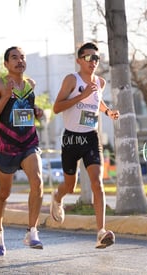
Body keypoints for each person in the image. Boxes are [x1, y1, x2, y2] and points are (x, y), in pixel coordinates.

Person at [51, 42, 120, 249]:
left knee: (97, 183)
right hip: (72, 138)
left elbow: (97, 101)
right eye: (89, 58)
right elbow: (56, 107)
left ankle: (101, 232)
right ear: (79, 60)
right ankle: (57, 197)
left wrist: (108, 112)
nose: (93, 62)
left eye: (96, 58)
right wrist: (80, 96)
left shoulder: (100, 82)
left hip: (91, 137)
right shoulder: (72, 79)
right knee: (70, 186)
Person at [0, 46, 45, 256]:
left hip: (29, 142)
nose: (19, 61)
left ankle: (32, 231)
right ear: (6, 64)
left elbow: (28, 109)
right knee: (4, 193)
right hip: (7, 147)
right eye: (14, 57)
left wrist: (37, 111)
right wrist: (5, 97)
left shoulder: (30, 84)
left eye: (22, 57)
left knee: (37, 181)